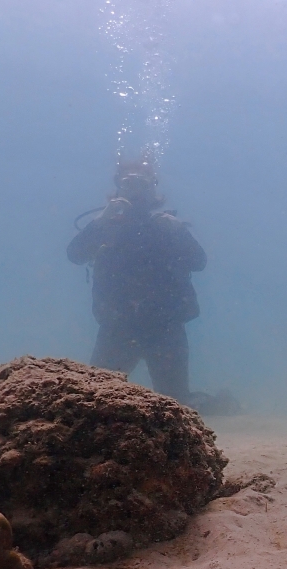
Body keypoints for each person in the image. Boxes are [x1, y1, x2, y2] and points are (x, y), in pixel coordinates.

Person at [68, 157, 207, 405]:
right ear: (118, 187)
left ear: (153, 188)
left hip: (165, 327)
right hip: (117, 326)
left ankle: (218, 404)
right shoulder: (106, 226)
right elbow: (75, 255)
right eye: (129, 183)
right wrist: (100, 221)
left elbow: (199, 262)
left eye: (143, 184)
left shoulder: (167, 227)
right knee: (95, 400)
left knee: (175, 402)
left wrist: (179, 230)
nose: (136, 191)